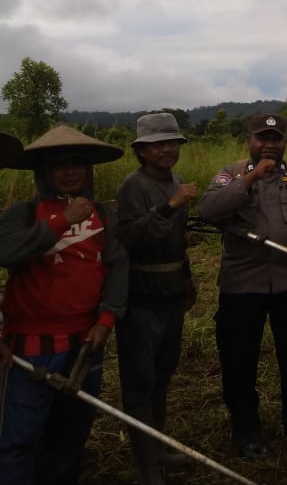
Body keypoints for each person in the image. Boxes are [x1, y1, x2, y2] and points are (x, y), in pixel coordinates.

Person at [0, 125, 128, 483]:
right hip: (29, 347)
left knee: (70, 433)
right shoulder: (22, 215)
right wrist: (62, 221)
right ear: (43, 171)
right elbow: (5, 251)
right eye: (60, 165)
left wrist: (107, 318)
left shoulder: (104, 214)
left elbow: (118, 266)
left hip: (85, 343)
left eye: (78, 164)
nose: (71, 172)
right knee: (19, 438)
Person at [198, 113, 287, 459]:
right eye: (262, 137)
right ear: (249, 140)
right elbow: (208, 210)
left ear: (285, 140)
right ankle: (246, 430)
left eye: (276, 138)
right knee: (240, 360)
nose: (269, 144)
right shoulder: (231, 173)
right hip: (243, 285)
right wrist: (251, 179)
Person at [114, 113, 198, 484]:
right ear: (142, 151)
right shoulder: (135, 186)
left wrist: (188, 277)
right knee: (139, 382)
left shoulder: (176, 181)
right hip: (142, 297)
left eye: (172, 143)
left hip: (171, 292)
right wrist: (169, 206)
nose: (167, 150)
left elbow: (178, 239)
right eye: (158, 144)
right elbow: (130, 238)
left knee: (162, 375)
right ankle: (146, 465)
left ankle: (157, 446)